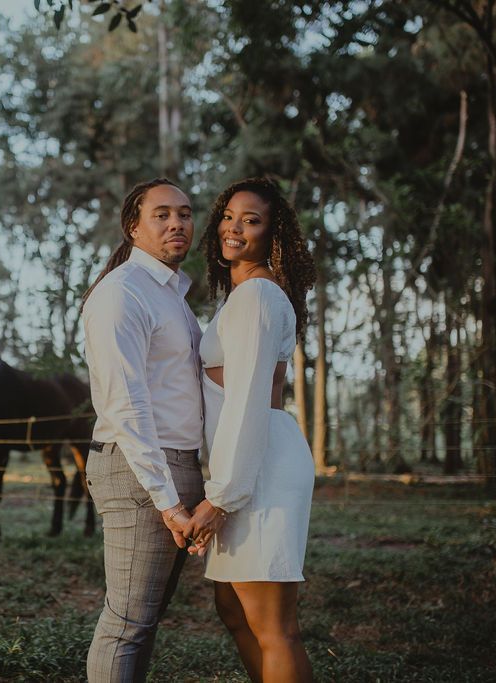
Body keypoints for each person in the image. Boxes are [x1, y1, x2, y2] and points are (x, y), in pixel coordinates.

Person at [186, 177, 317, 683]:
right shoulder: (241, 297)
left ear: (272, 235)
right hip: (245, 466)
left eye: (251, 220)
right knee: (234, 609)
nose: (234, 228)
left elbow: (246, 403)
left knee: (274, 627)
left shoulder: (259, 295)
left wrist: (221, 498)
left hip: (259, 468)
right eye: (228, 216)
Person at [81, 178, 205, 682]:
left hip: (177, 464)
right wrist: (168, 501)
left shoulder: (172, 296)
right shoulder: (122, 293)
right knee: (127, 624)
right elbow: (126, 405)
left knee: (143, 622)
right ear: (133, 227)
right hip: (141, 470)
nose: (177, 223)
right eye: (162, 214)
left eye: (185, 213)